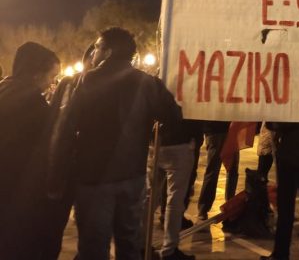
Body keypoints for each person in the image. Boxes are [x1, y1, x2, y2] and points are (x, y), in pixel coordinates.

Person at [49, 27, 182, 260]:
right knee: (129, 243)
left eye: (97, 47)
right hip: (133, 176)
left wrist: (56, 175)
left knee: (93, 247)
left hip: (94, 178)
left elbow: (65, 129)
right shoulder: (147, 82)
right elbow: (173, 116)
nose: (93, 53)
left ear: (108, 52)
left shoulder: (85, 81)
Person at [0, 42, 60, 260]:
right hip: (17, 197)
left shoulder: (4, 90)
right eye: (52, 76)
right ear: (36, 74)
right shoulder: (36, 107)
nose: (52, 83)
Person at [46, 43, 95, 259]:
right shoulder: (69, 83)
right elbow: (54, 125)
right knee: (54, 225)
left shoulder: (107, 87)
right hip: (66, 166)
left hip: (91, 169)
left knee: (89, 227)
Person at [260, 123, 299, 260]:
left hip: (289, 156)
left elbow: (274, 124)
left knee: (286, 208)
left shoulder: (291, 111)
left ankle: (281, 253)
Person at [144, 118, 198, 260]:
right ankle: (169, 251)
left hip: (155, 140)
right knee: (174, 201)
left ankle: (142, 246)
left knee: (149, 198)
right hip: (180, 142)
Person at [196, 121, 240, 220]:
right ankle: (205, 208)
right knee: (216, 170)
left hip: (223, 130)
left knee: (226, 170)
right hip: (217, 131)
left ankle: (227, 205)